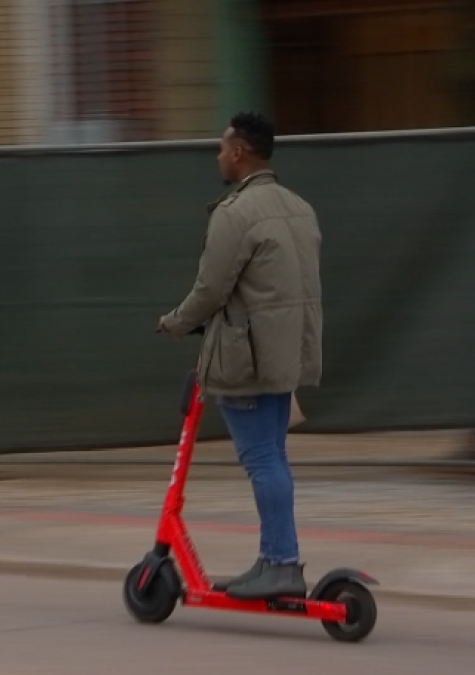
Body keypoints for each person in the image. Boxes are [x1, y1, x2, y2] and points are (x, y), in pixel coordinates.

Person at [157, 111, 322, 600]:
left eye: (221, 147)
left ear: (238, 152)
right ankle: (275, 557)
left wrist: (175, 322)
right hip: (284, 353)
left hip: (245, 359)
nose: (217, 155)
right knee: (273, 458)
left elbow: (211, 288)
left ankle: (284, 563)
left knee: (261, 460)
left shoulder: (235, 213)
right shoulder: (300, 208)